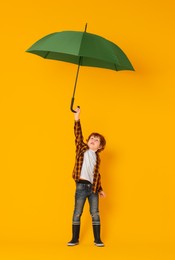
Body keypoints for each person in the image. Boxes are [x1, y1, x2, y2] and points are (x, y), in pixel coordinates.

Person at [67, 107, 106, 247]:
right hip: (81, 186)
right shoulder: (82, 149)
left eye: (96, 140)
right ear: (87, 140)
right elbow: (78, 134)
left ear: (100, 146)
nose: (93, 140)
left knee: (95, 213)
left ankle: (97, 239)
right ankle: (74, 238)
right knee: (77, 212)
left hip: (93, 188)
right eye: (92, 138)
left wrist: (100, 188)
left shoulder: (97, 158)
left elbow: (96, 175)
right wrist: (77, 117)